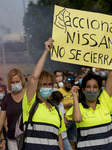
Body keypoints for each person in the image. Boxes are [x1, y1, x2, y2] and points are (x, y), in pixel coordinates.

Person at [22, 38, 66, 150]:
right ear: (37, 86)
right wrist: (46, 51)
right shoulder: (30, 103)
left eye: (50, 84)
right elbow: (34, 77)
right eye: (44, 84)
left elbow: (59, 136)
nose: (47, 87)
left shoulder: (55, 109)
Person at [66, 72, 112, 150]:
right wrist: (75, 97)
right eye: (88, 87)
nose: (91, 90)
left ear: (99, 90)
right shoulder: (78, 107)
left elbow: (111, 75)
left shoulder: (105, 102)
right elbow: (77, 119)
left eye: (95, 87)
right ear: (83, 90)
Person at [0, 68, 26, 150]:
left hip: (28, 138)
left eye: (17, 81)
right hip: (12, 140)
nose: (15, 84)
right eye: (12, 82)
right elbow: (1, 120)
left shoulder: (28, 96)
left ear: (22, 80)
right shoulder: (6, 99)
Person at [58, 74, 77, 150]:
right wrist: (66, 105)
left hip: (74, 119)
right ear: (64, 83)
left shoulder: (73, 91)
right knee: (62, 140)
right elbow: (55, 104)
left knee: (73, 141)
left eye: (71, 85)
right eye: (68, 85)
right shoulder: (58, 91)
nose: (70, 87)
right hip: (64, 120)